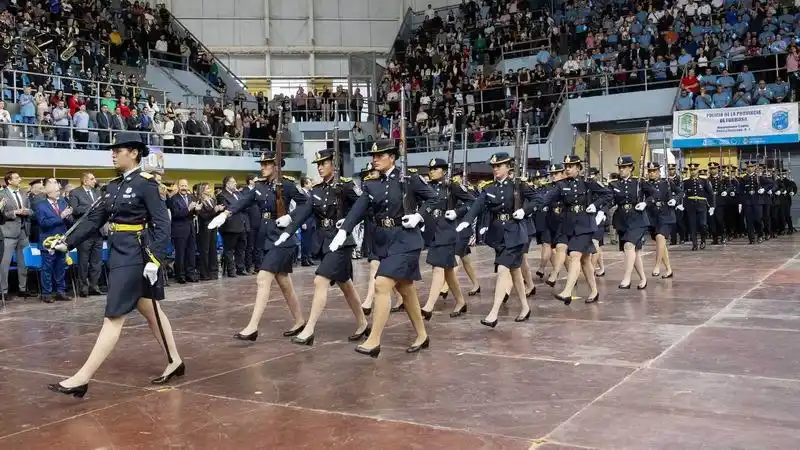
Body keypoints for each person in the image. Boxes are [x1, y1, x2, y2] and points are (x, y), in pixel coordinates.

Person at [44, 132, 183, 398]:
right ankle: (175, 360)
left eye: (118, 149)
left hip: (136, 254)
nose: (113, 153)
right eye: (113, 149)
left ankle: (82, 378)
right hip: (120, 252)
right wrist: (67, 243)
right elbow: (93, 218)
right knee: (150, 310)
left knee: (114, 315)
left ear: (134, 152)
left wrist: (155, 258)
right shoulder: (113, 186)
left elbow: (162, 224)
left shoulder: (147, 184)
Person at [329, 141, 437, 357]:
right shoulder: (372, 184)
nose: (374, 159)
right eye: (373, 155)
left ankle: (374, 340)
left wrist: (419, 215)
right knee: (406, 290)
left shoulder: (409, 179)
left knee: (381, 284)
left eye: (380, 155)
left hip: (406, 240)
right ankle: (422, 335)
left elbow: (435, 198)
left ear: (392, 157)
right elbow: (359, 208)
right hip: (384, 242)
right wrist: (344, 230)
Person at [208, 151, 309, 341]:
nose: (262, 167)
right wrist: (226, 214)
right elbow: (243, 201)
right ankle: (300, 321)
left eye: (267, 164)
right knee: (284, 283)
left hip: (282, 239)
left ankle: (252, 327)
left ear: (276, 165)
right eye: (261, 164)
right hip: (266, 238)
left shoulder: (287, 184)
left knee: (262, 278)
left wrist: (291, 217)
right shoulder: (259, 186)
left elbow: (307, 204)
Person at [284, 149, 369, 345]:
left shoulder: (346, 186)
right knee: (346, 284)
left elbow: (364, 207)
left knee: (319, 281)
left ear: (334, 164)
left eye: (324, 163)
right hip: (324, 242)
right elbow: (304, 211)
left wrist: (347, 222)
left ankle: (309, 328)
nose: (320, 168)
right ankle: (363, 322)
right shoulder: (317, 189)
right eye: (318, 165)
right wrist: (288, 226)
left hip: (341, 242)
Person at [456, 152, 541, 327]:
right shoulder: (489, 188)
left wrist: (525, 210)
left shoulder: (518, 185)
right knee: (515, 272)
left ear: (508, 167)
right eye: (494, 166)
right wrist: (465, 221)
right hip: (499, 235)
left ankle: (493, 314)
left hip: (516, 233)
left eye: (499, 166)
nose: (495, 169)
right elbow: (477, 206)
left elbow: (538, 199)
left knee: (503, 270)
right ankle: (525, 308)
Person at [539, 155, 611, 305]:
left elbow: (608, 194)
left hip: (585, 224)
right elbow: (546, 198)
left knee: (575, 255)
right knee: (585, 261)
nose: (567, 168)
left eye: (571, 166)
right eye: (566, 166)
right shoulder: (561, 184)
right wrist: (532, 207)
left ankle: (567, 291)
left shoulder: (587, 182)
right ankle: (594, 291)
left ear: (578, 167)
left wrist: (596, 205)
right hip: (569, 225)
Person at [419, 158, 475, 320]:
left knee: (437, 269)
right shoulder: (428, 186)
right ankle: (460, 301)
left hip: (447, 233)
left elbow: (473, 201)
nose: (431, 171)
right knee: (449, 272)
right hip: (433, 233)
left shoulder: (452, 186)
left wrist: (458, 212)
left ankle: (429, 306)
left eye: (435, 169)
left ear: (444, 170)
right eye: (430, 169)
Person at [608, 156, 655, 290]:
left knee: (629, 246)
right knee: (634, 252)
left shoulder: (639, 182)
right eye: (620, 167)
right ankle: (643, 278)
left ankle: (627, 278)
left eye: (624, 167)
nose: (621, 170)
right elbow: (610, 200)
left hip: (637, 218)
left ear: (631, 168)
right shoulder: (614, 184)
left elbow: (655, 194)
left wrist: (645, 203)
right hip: (622, 219)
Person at [35, 178, 74, 302]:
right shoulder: (40, 205)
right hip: (48, 241)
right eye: (56, 191)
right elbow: (43, 223)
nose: (59, 192)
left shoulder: (62, 202)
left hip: (62, 240)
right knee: (47, 269)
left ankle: (60, 291)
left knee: (60, 267)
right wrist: (61, 216)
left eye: (59, 190)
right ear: (49, 193)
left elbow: (70, 222)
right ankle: (46, 293)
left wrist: (68, 216)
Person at [67, 172, 104, 297]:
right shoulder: (75, 193)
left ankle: (94, 285)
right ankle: (83, 287)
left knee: (96, 262)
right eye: (92, 179)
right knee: (83, 261)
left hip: (97, 232)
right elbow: (75, 210)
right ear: (85, 181)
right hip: (83, 233)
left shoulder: (98, 193)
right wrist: (90, 207)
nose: (95, 181)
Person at [644, 162, 682, 278]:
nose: (651, 173)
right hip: (652, 215)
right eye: (650, 171)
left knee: (660, 237)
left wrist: (675, 200)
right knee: (662, 244)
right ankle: (669, 269)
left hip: (666, 214)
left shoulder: (667, 183)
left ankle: (657, 265)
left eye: (654, 171)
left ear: (659, 172)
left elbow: (680, 192)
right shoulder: (645, 184)